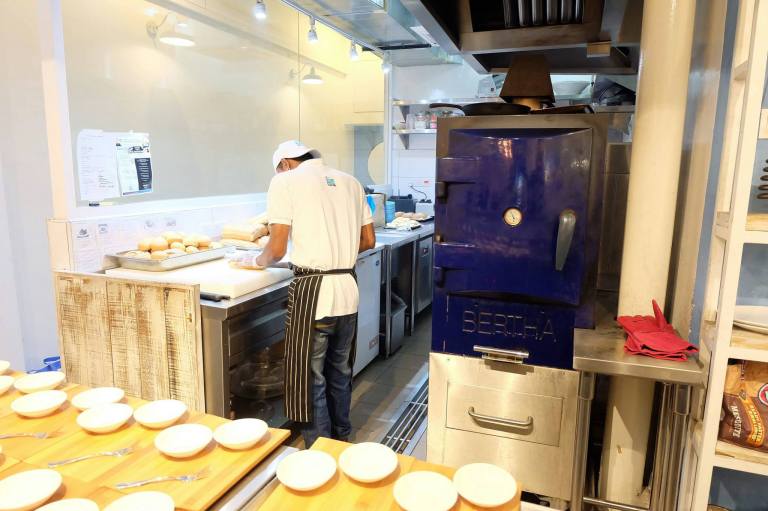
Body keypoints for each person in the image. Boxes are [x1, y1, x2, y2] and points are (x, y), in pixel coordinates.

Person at [255, 140, 376, 447]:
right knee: (340, 372)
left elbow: (276, 248)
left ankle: (320, 450)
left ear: (285, 164)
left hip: (314, 294)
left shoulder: (284, 182)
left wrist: (256, 260)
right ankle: (341, 439)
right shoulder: (351, 182)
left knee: (311, 379)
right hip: (347, 289)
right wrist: (336, 254)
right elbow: (368, 240)